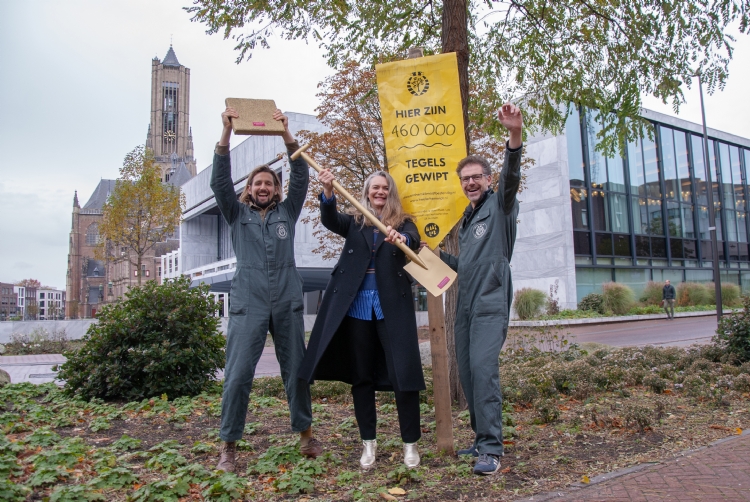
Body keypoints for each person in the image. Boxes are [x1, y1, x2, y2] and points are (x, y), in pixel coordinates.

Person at [211, 107, 321, 473]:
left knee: (296, 371)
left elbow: (301, 175)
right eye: (257, 183)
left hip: (287, 299)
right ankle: (228, 446)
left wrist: (287, 134)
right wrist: (226, 133)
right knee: (238, 374)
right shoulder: (236, 214)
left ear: (276, 189)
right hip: (249, 301)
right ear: (249, 189)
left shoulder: (287, 213)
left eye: (269, 183)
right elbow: (219, 183)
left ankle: (306, 436)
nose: (263, 187)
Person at [298, 169, 425, 470]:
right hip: (356, 308)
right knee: (362, 377)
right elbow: (330, 219)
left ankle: (410, 444)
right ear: (367, 191)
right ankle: (368, 443)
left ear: (391, 193)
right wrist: (328, 192)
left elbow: (413, 239)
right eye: (375, 187)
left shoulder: (402, 222)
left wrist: (401, 238)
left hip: (392, 307)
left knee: (403, 375)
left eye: (385, 188)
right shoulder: (356, 221)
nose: (380, 192)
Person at [439, 103, 524, 476]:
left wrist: (514, 134)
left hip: (490, 302)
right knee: (469, 373)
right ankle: (479, 438)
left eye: (476, 177)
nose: (470, 183)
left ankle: (491, 449)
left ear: (488, 179)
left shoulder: (501, 206)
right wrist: (433, 254)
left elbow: (511, 176)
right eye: (465, 179)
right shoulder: (467, 220)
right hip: (466, 305)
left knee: (483, 370)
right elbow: (464, 266)